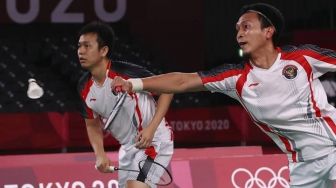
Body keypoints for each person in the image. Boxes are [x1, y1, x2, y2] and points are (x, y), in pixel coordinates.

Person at [112, 3, 336, 188]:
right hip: (301, 164)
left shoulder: (301, 58)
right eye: (237, 28)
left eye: (247, 27)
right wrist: (134, 84)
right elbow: (182, 81)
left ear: (268, 32)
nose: (239, 33)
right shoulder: (236, 78)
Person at [76, 21, 174, 188]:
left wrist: (151, 128)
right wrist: (100, 154)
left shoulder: (126, 73)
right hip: (128, 149)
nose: (80, 51)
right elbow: (92, 124)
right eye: (79, 46)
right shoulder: (84, 87)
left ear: (103, 50)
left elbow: (168, 89)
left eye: (87, 46)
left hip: (155, 141)